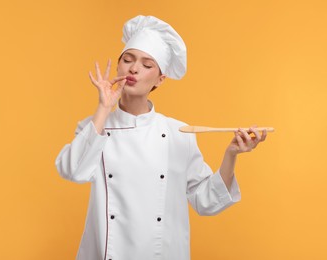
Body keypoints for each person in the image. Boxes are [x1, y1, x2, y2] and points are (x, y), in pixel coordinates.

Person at [55, 15, 267, 260]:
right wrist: (103, 108)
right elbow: (73, 171)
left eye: (147, 65)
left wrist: (231, 155)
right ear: (118, 66)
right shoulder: (95, 127)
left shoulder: (180, 134)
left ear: (160, 79)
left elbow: (206, 200)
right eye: (128, 59)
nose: (134, 68)